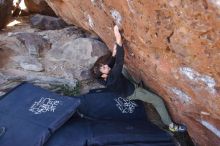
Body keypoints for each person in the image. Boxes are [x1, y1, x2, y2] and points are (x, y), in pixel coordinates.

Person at [91, 25, 187, 133]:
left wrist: (113, 53)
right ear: (103, 75)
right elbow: (119, 61)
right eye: (104, 68)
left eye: (104, 65)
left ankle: (135, 83)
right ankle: (170, 125)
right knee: (158, 101)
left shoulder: (102, 78)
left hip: (124, 86)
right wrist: (118, 39)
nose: (106, 66)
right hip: (132, 92)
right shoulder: (112, 78)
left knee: (121, 70)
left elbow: (111, 64)